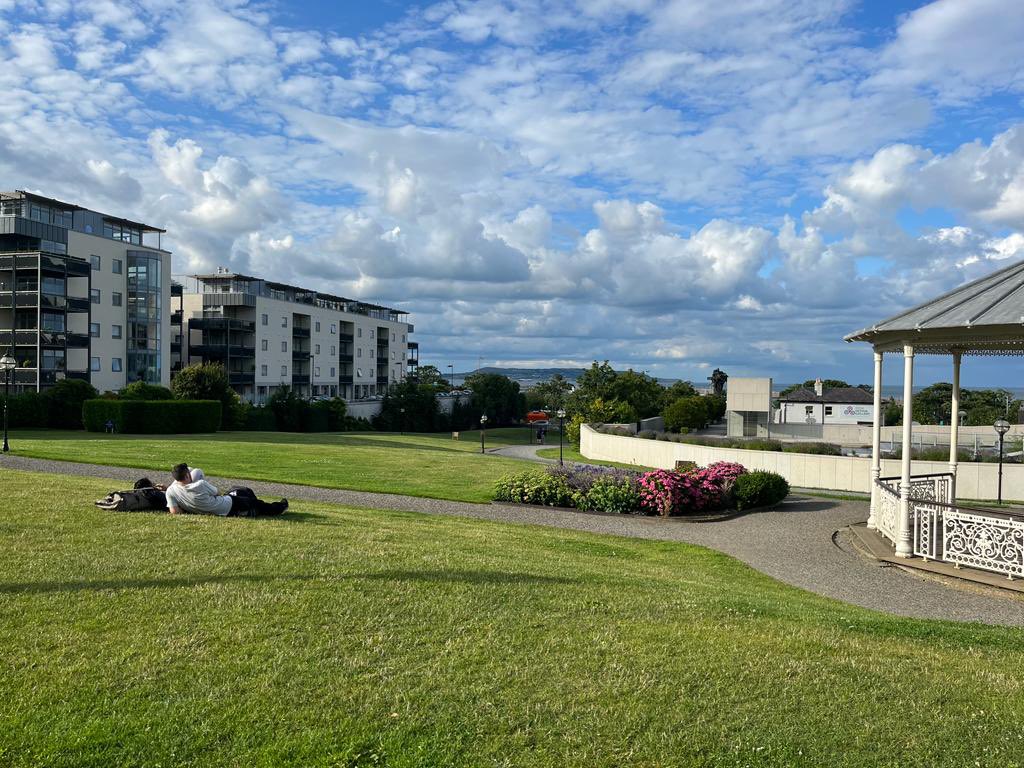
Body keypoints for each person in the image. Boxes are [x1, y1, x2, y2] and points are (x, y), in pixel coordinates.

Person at [165, 464, 288, 517]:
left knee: (248, 499)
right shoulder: (200, 484)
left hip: (214, 510)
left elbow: (175, 512)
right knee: (256, 503)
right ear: (187, 476)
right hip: (226, 504)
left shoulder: (171, 491)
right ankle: (281, 507)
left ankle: (246, 511)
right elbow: (217, 493)